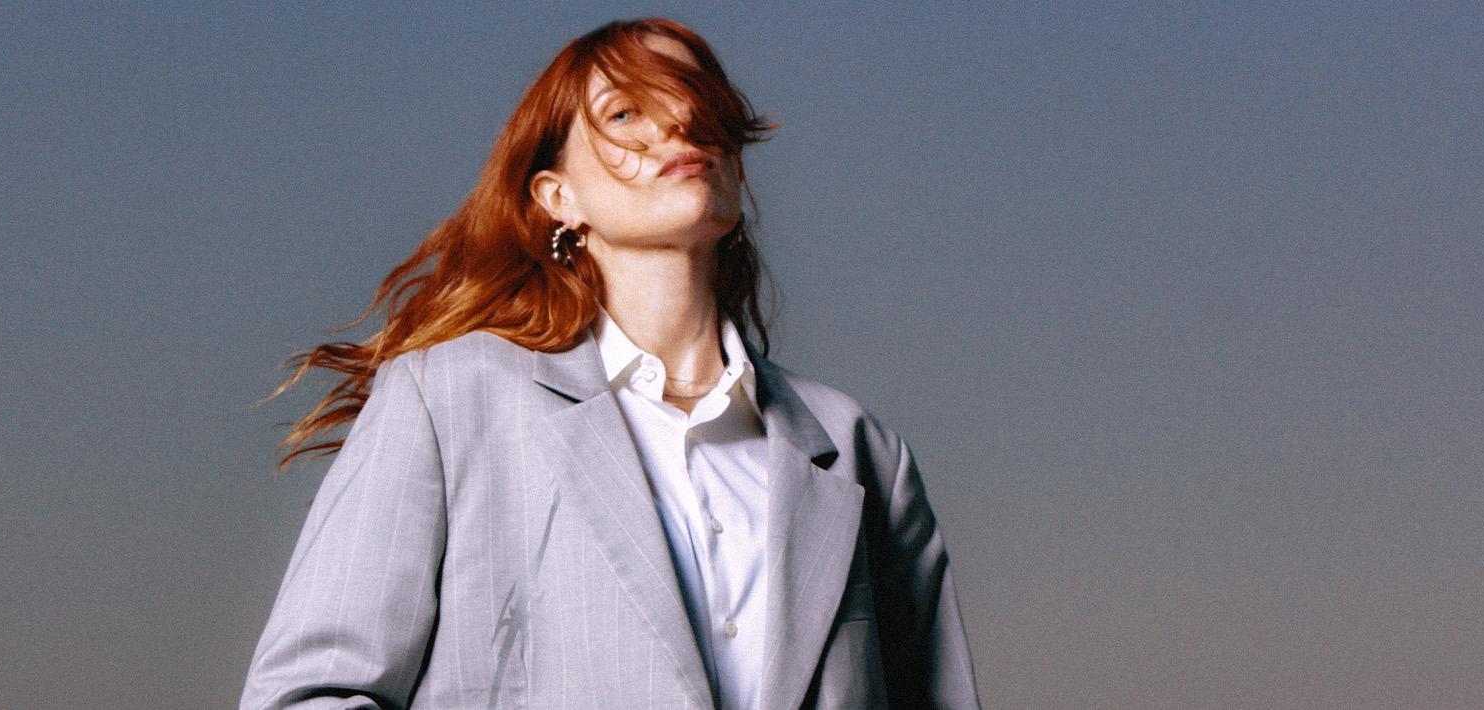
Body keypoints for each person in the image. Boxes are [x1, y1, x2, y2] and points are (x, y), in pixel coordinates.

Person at [242, 17, 981, 710]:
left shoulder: (857, 451)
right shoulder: (450, 400)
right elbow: (306, 694)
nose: (680, 123)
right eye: (626, 113)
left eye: (700, 102)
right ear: (558, 197)